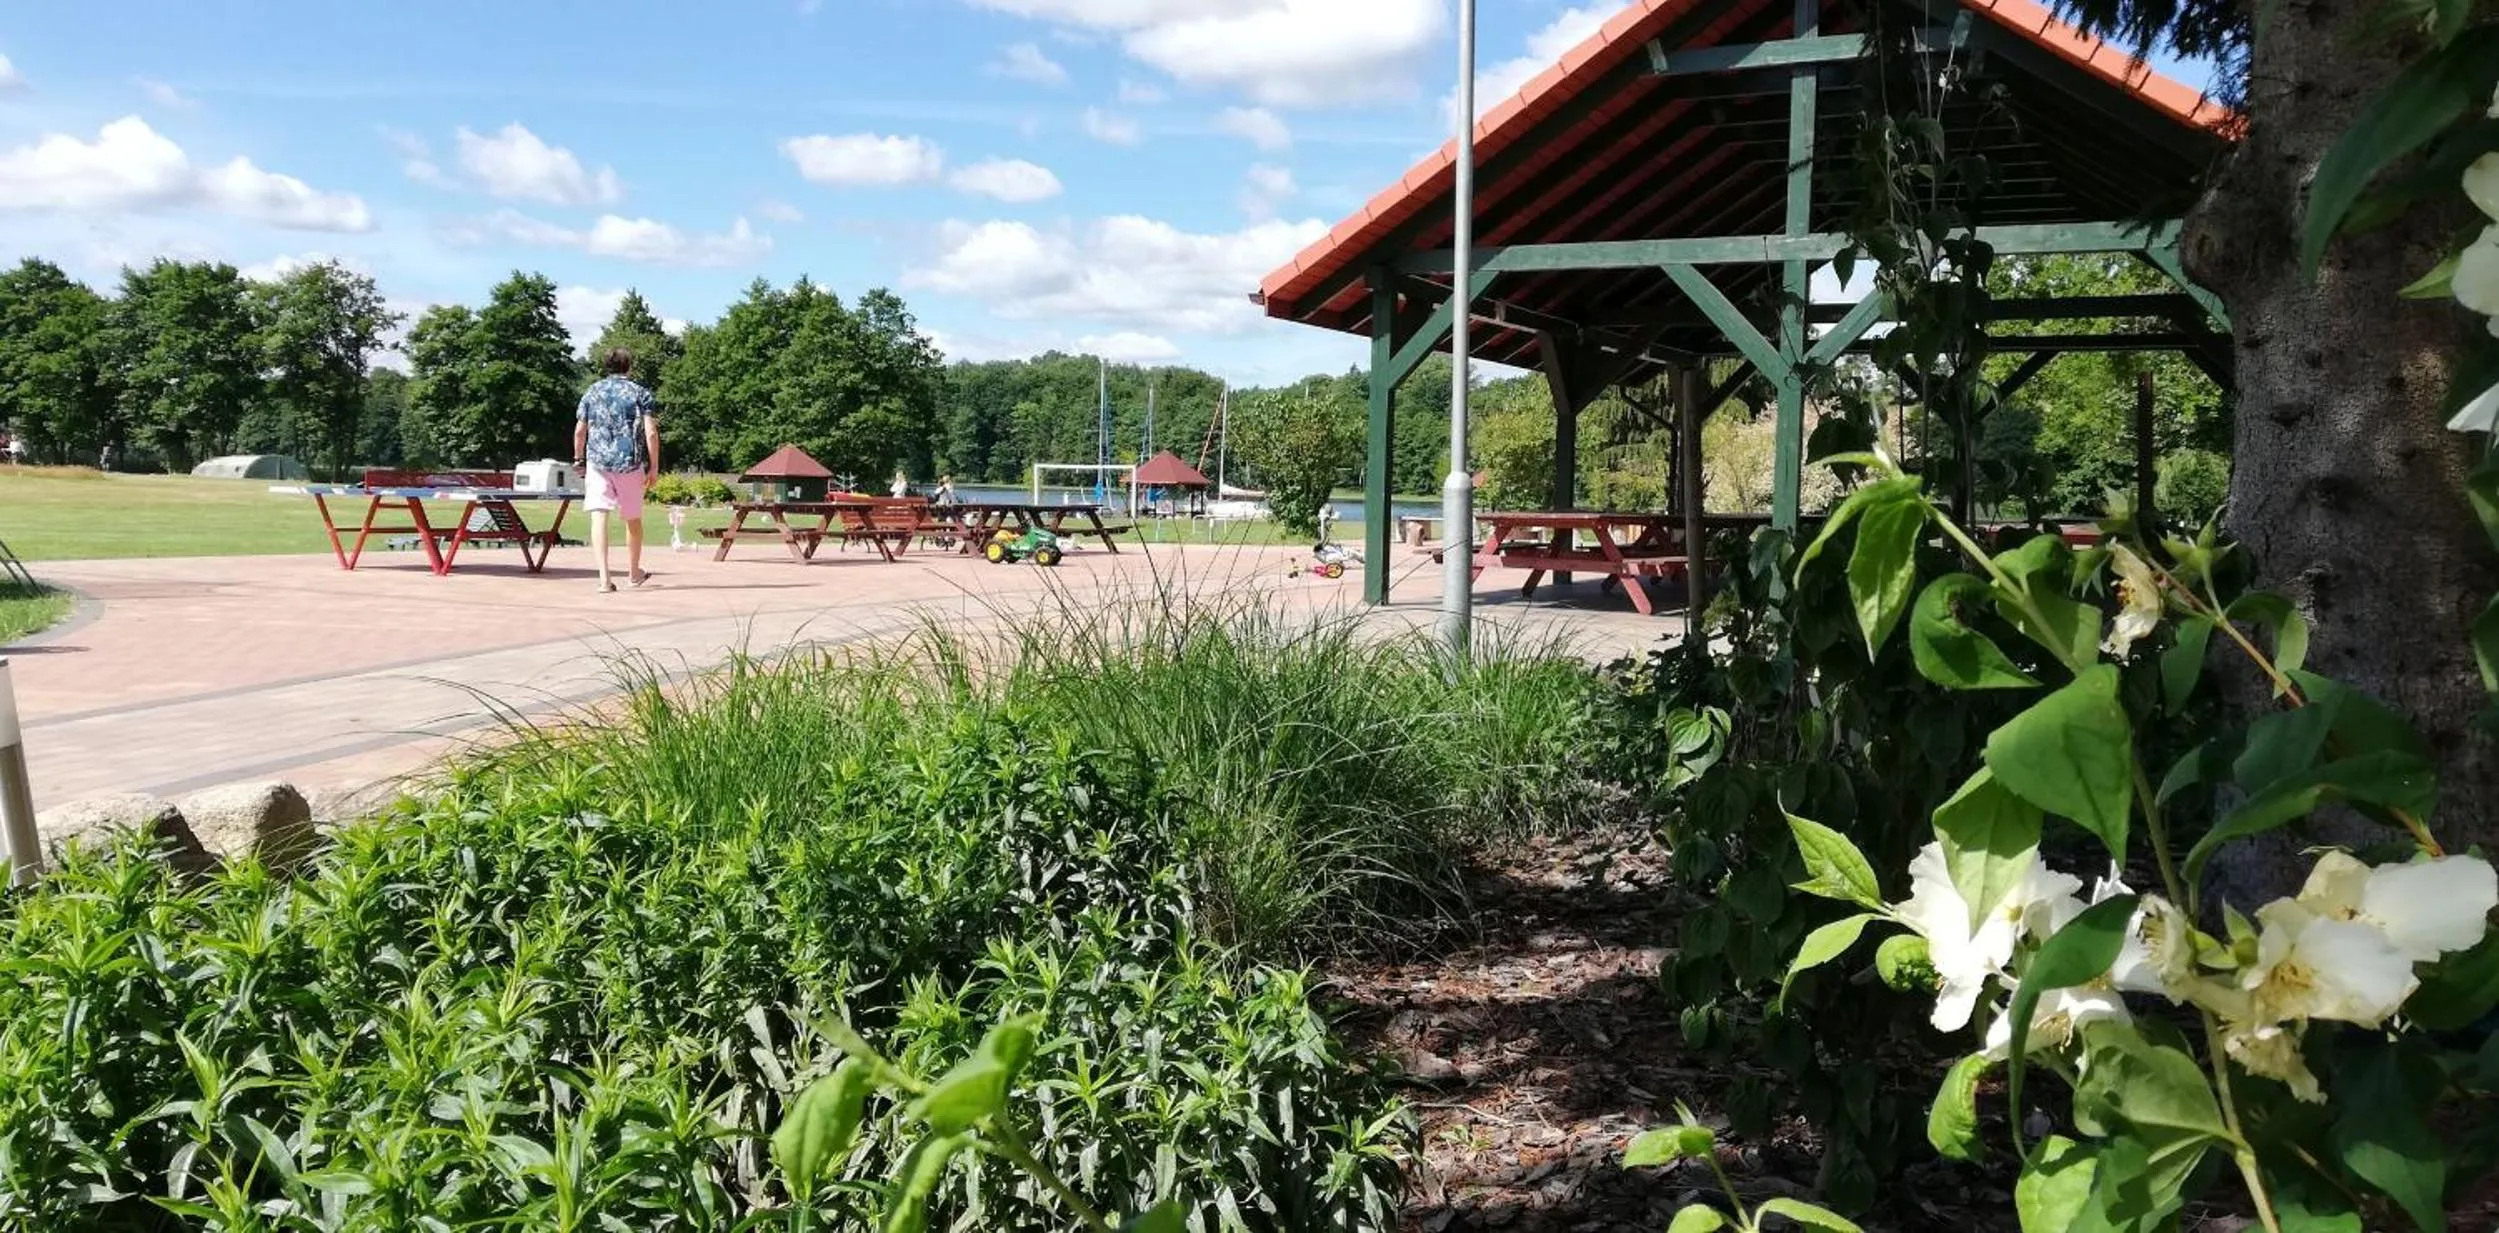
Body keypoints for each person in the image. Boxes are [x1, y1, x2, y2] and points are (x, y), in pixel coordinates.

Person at [572, 347, 661, 592]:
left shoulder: (592, 392)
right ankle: (633, 573)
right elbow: (651, 432)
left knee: (599, 515)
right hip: (630, 463)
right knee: (632, 518)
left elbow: (580, 431)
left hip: (598, 463)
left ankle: (603, 578)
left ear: (606, 367)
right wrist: (654, 467)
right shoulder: (640, 393)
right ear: (628, 366)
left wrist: (579, 459)